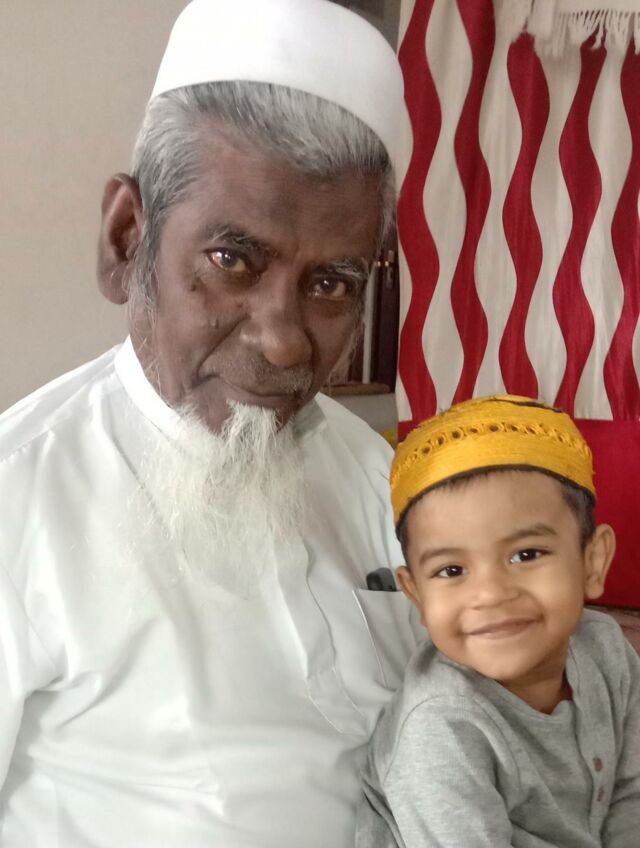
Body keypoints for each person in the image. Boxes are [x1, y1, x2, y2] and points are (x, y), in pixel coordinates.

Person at [0, 2, 419, 845]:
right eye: (232, 260)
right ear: (128, 239)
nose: (284, 338)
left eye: (331, 283)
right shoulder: (21, 497)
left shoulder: (382, 481)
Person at [357, 395, 640, 848]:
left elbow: (631, 791)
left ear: (592, 561)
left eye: (526, 554)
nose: (490, 594)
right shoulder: (440, 727)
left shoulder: (606, 649)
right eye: (451, 570)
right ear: (417, 595)